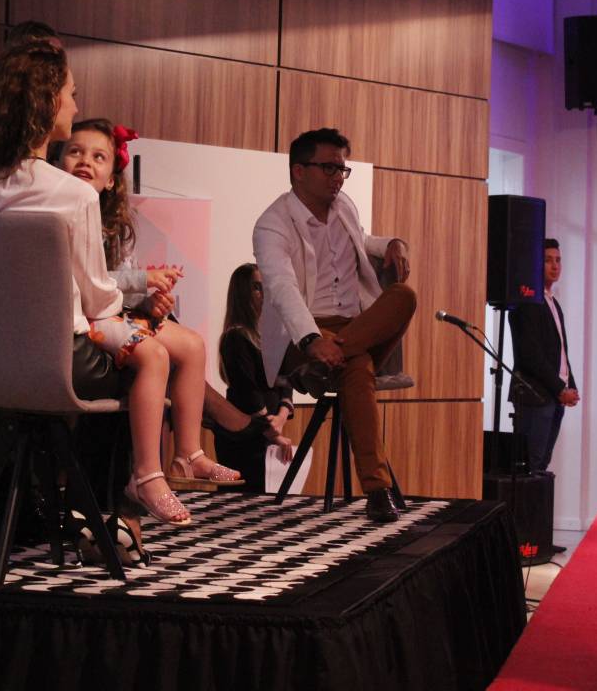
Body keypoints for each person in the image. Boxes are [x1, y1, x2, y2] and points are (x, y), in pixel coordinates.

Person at [0, 43, 237, 527]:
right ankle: (132, 492)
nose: (75, 105)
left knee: (149, 344)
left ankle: (140, 486)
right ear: (46, 103)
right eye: (71, 94)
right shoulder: (72, 195)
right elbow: (98, 301)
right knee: (150, 360)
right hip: (52, 358)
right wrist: (136, 307)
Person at [56, 118, 282, 452]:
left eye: (98, 157)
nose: (85, 162)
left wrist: (147, 300)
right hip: (79, 324)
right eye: (75, 152)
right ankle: (203, 429)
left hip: (105, 314)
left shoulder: (113, 225)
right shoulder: (56, 213)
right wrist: (143, 281)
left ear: (111, 180)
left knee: (181, 336)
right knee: (161, 353)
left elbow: (115, 284)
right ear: (57, 163)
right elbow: (83, 282)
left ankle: (189, 451)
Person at [253, 128, 417, 522]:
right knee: (357, 368)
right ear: (299, 171)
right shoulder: (272, 224)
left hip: (353, 326)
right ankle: (376, 489)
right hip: (306, 329)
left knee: (404, 296)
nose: (338, 177)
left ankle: (331, 361)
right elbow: (282, 287)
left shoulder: (344, 206)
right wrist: (312, 341)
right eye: (329, 168)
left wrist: (391, 244)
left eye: (342, 169)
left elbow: (362, 239)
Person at [216, 263, 297, 491]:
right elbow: (247, 392)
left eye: (265, 286)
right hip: (243, 436)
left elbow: (287, 380)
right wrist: (272, 432)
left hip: (269, 431)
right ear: (242, 294)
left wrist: (280, 418)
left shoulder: (273, 336)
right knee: (243, 503)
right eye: (256, 287)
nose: (264, 293)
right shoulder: (235, 337)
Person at [508, 237, 579, 474]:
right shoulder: (527, 302)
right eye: (548, 260)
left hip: (553, 396)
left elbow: (560, 350)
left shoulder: (553, 303)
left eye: (558, 260)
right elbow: (531, 355)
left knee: (541, 465)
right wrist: (560, 388)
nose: (555, 266)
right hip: (535, 395)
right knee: (530, 466)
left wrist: (570, 385)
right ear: (536, 264)